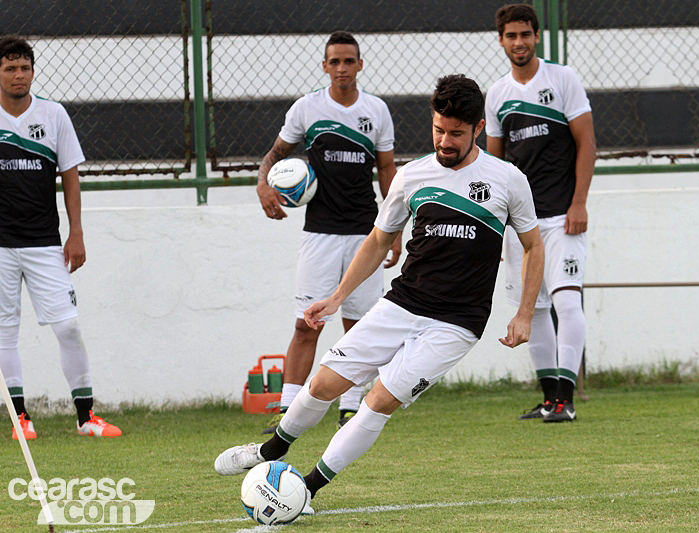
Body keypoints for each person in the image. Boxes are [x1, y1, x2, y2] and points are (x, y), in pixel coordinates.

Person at [215, 74, 545, 509]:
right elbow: (376, 241)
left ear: (478, 129)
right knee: (324, 384)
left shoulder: (507, 179)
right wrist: (336, 296)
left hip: (457, 323)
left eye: (456, 134)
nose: (445, 141)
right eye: (438, 130)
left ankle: (304, 491)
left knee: (379, 399)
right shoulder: (412, 176)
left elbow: (533, 244)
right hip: (403, 303)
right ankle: (269, 451)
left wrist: (525, 314)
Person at [255, 31, 400, 434]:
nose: (341, 68)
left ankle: (350, 409)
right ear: (325, 66)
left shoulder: (377, 111)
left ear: (359, 65)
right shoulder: (307, 108)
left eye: (348, 61)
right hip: (319, 233)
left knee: (360, 326)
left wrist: (396, 228)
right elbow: (275, 153)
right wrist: (263, 183)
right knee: (307, 323)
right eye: (334, 61)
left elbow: (387, 170)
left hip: (364, 233)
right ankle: (288, 409)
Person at [0, 35, 121, 439]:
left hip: (44, 242)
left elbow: (70, 174)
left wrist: (76, 233)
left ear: (32, 72)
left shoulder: (53, 115)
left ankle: (86, 417)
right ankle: (21, 420)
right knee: (4, 330)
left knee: (67, 326)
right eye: (10, 68)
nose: (19, 75)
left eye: (25, 68)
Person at [486, 4, 596, 422]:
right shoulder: (496, 93)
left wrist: (579, 201)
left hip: (563, 217)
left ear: (536, 37)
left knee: (568, 301)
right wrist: (496, 228)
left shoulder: (562, 78)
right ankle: (550, 399)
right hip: (522, 225)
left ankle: (566, 400)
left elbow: (587, 143)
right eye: (511, 35)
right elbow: (495, 168)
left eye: (525, 34)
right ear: (501, 40)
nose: (519, 42)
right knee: (533, 308)